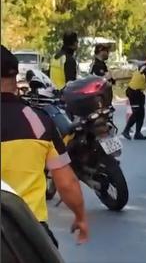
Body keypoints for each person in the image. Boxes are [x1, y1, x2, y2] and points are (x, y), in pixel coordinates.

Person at [1, 45, 89, 247]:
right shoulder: (39, 123)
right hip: (30, 232)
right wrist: (81, 216)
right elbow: (67, 182)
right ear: (15, 80)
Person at [122, 53, 146, 140]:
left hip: (139, 93)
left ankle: (138, 133)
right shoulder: (145, 67)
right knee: (136, 112)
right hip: (133, 92)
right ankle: (126, 130)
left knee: (141, 114)